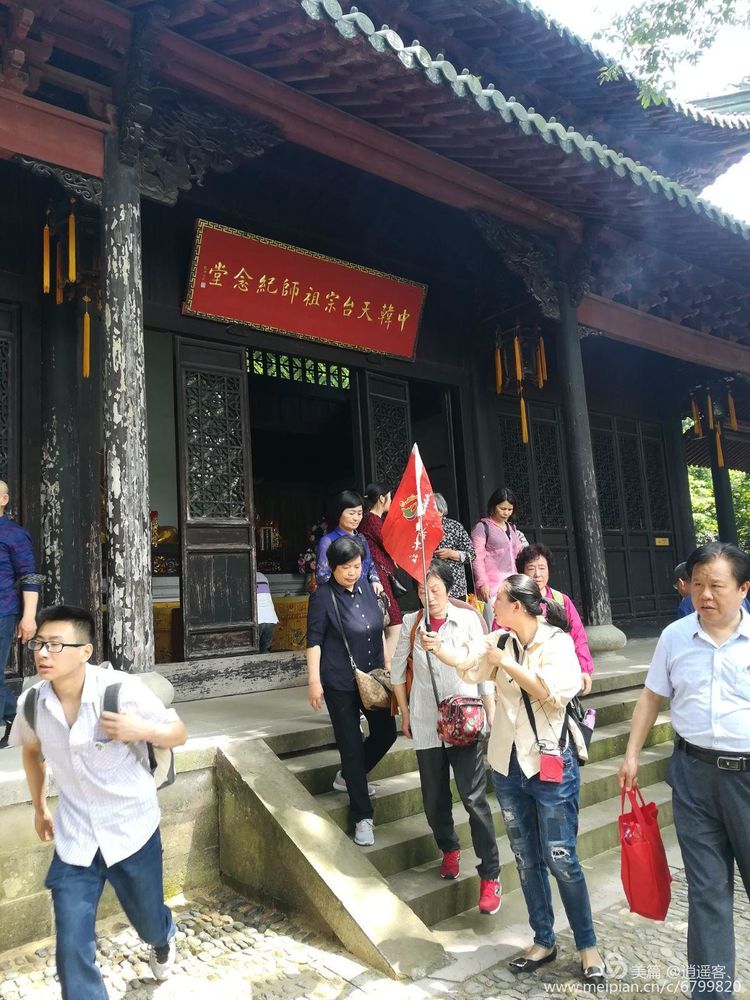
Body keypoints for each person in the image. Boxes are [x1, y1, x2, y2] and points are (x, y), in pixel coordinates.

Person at [423, 574, 606, 987]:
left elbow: (554, 693)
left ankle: (587, 945)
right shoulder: (498, 641)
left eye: (499, 600)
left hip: (549, 764)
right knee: (526, 859)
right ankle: (543, 938)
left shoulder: (557, 643)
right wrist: (439, 648)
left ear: (517, 607)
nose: (493, 605)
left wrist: (506, 664)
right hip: (508, 766)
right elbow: (469, 664)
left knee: (562, 859)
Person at [10, 604, 188, 999]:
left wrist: (143, 729)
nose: (42, 653)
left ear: (85, 651)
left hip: (132, 829)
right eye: (39, 644)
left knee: (148, 922)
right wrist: (39, 806)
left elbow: (178, 732)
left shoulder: (119, 691)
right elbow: (31, 752)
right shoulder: (32, 703)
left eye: (55, 645)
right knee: (72, 942)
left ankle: (164, 935)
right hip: (75, 837)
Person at [618, 542, 750, 999]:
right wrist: (632, 753)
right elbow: (652, 696)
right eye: (697, 584)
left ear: (743, 588)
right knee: (707, 896)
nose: (705, 594)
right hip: (693, 776)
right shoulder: (675, 636)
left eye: (716, 585)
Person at [391, 561, 501, 914]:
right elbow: (396, 672)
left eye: (436, 590)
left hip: (465, 720)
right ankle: (449, 848)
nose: (430, 597)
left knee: (473, 798)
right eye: (424, 591)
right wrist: (405, 713)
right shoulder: (411, 624)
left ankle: (490, 874)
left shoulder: (468, 619)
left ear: (449, 590)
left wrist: (491, 715)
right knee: (434, 796)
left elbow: (483, 671)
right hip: (425, 721)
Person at [306, 535, 397, 847]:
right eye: (345, 567)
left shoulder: (368, 591)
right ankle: (362, 817)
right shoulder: (322, 597)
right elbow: (314, 641)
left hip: (372, 678)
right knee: (351, 745)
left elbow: (379, 629)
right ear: (332, 568)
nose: (352, 572)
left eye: (357, 566)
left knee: (386, 733)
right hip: (339, 681)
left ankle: (349, 775)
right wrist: (314, 681)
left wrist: (386, 665)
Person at [516, 543, 595, 695]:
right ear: (522, 572)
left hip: (560, 673)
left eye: (542, 568)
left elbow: (578, 636)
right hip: (526, 676)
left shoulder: (561, 600)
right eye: (531, 569)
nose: (537, 574)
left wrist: (584, 669)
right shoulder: (514, 602)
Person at [0, 481, 43, 749]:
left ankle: (19, 720)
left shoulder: (14, 534)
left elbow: (29, 577)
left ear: (4, 499)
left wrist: (29, 617)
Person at [359, 482, 403, 661]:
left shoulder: (373, 520)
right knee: (394, 621)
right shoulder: (372, 520)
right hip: (379, 576)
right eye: (390, 497)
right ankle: (388, 666)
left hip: (381, 574)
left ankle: (387, 664)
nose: (391, 501)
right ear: (382, 498)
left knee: (388, 621)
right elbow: (390, 543)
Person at [471, 487, 526, 628]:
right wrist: (482, 583)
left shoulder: (512, 529)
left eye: (509, 509)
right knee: (494, 625)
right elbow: (477, 557)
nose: (506, 513)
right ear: (493, 506)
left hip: (513, 584)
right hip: (492, 587)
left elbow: (519, 554)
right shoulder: (482, 527)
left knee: (514, 624)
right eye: (502, 508)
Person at [316, 490, 383, 598]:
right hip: (340, 596)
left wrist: (375, 580)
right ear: (339, 513)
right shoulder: (328, 541)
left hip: (364, 593)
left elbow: (370, 565)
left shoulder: (362, 539)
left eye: (359, 513)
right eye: (351, 513)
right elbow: (322, 576)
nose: (356, 518)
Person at [433, 493, 476, 600]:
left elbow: (471, 554)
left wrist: (451, 554)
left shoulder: (454, 527)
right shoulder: (419, 529)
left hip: (455, 585)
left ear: (440, 511)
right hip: (430, 585)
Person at [674, 558, 750, 618]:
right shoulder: (741, 597)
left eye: (716, 585)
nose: (706, 596)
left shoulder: (686, 604)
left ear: (681, 583)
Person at [256, 571, 279, 652]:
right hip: (270, 617)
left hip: (257, 619)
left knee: (253, 651)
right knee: (265, 650)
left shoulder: (245, 577)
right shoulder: (262, 576)